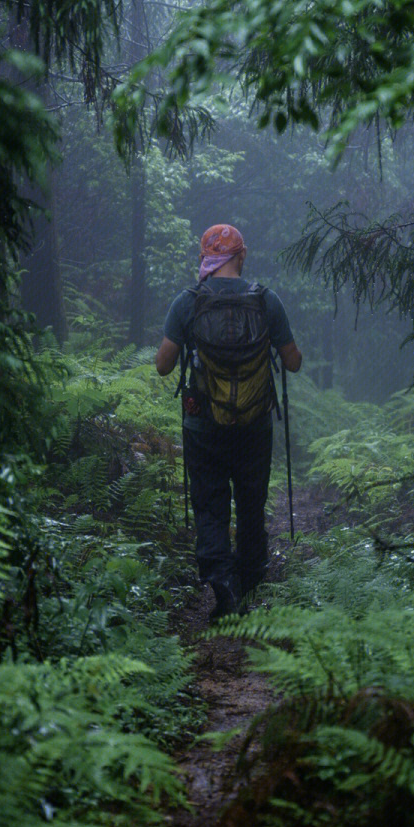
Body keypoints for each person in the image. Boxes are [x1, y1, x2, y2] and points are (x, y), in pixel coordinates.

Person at [156, 224, 302, 619]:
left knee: (210, 502)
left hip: (204, 424)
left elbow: (163, 367)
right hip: (255, 423)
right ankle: (250, 579)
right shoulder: (267, 301)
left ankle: (219, 578)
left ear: (206, 259)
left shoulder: (188, 302)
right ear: (242, 256)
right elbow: (293, 362)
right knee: (251, 501)